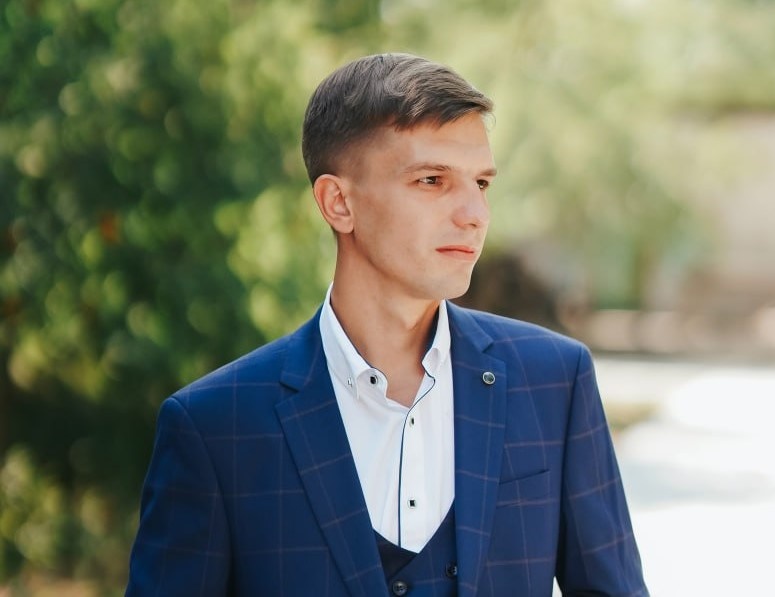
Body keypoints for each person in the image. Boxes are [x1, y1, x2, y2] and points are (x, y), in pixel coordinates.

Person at [126, 52, 648, 597]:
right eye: (432, 180)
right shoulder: (216, 426)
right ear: (338, 203)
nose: (475, 214)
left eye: (481, 183)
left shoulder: (553, 382)